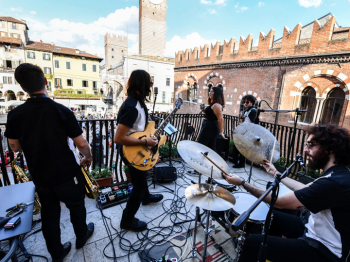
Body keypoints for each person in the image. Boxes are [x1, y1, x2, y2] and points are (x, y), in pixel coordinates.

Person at [5, 64, 94, 262]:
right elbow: (82, 143)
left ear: (23, 88)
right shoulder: (61, 110)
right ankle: (81, 236)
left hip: (40, 174)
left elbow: (14, 147)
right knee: (77, 206)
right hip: (67, 173)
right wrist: (87, 156)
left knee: (49, 214)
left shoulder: (14, 115)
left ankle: (56, 253)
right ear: (45, 81)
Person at [224, 124, 350, 262]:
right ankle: (271, 255)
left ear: (330, 149)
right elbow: (304, 188)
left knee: (252, 243)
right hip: (313, 229)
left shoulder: (333, 183)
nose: (305, 150)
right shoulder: (337, 174)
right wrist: (276, 173)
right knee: (269, 215)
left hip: (324, 251)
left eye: (311, 145)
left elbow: (279, 202)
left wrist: (242, 183)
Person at [114, 69, 163, 232]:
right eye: (149, 83)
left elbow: (137, 128)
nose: (150, 86)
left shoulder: (138, 102)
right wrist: (146, 141)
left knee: (142, 176)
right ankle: (127, 219)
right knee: (138, 185)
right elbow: (119, 138)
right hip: (131, 151)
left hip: (137, 147)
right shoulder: (132, 106)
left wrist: (149, 136)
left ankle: (147, 197)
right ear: (142, 84)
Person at [231, 94, 258, 168]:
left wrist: (242, 124)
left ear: (252, 102)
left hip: (247, 133)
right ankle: (235, 159)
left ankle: (241, 163)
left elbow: (252, 124)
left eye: (247, 102)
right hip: (244, 131)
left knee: (243, 148)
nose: (245, 104)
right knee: (237, 145)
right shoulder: (247, 110)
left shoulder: (253, 111)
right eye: (244, 102)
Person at [197, 86, 226, 152]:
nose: (210, 93)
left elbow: (220, 119)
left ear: (216, 94)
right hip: (209, 126)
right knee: (210, 148)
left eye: (212, 91)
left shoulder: (217, 105)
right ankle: (212, 161)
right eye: (210, 91)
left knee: (201, 146)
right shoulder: (214, 104)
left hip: (210, 128)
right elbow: (211, 114)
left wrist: (221, 132)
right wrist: (204, 110)